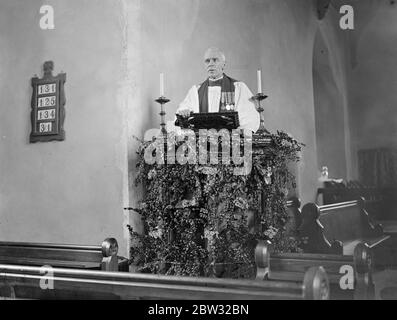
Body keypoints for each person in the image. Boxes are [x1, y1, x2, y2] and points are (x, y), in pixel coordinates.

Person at [176, 47, 260, 132]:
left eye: (215, 60)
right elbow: (181, 114)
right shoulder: (196, 91)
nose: (211, 64)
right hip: (203, 142)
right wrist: (184, 113)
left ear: (224, 64)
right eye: (207, 61)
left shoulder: (238, 87)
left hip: (229, 141)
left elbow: (249, 120)